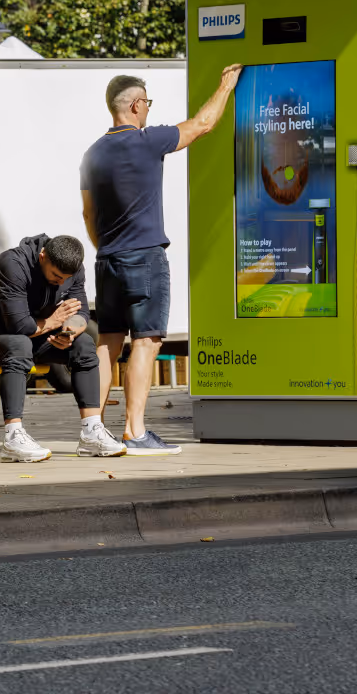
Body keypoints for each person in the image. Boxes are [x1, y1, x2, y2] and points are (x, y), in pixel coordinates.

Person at [80, 66, 241, 455]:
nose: (148, 111)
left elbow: (88, 213)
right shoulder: (148, 141)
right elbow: (202, 124)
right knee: (146, 342)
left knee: (108, 343)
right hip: (145, 258)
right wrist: (225, 86)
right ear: (136, 105)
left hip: (108, 260)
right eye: (147, 104)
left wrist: (107, 246)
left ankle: (92, 431)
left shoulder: (93, 153)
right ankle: (135, 433)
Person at [0, 234, 122, 462]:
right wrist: (53, 322)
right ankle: (13, 438)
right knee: (19, 344)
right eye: (56, 276)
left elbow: (82, 313)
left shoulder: (72, 269)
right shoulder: (13, 264)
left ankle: (91, 432)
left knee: (84, 344)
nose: (60, 282)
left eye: (66, 278)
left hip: (35, 333)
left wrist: (69, 330)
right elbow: (18, 326)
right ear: (42, 256)